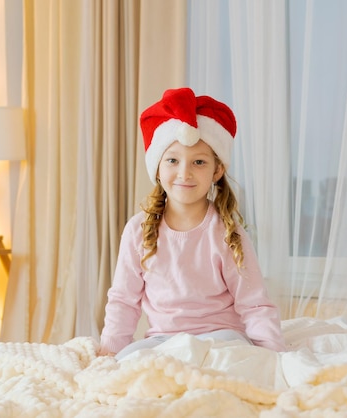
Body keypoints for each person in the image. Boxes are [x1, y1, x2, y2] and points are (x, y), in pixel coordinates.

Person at [98, 87, 285, 359]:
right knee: (130, 361)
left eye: (199, 162)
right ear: (158, 169)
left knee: (228, 363)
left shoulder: (227, 232)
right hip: (163, 341)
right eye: (173, 160)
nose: (184, 173)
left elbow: (254, 304)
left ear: (217, 171)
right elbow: (123, 302)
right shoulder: (138, 231)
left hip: (220, 339)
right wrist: (109, 354)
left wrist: (272, 355)